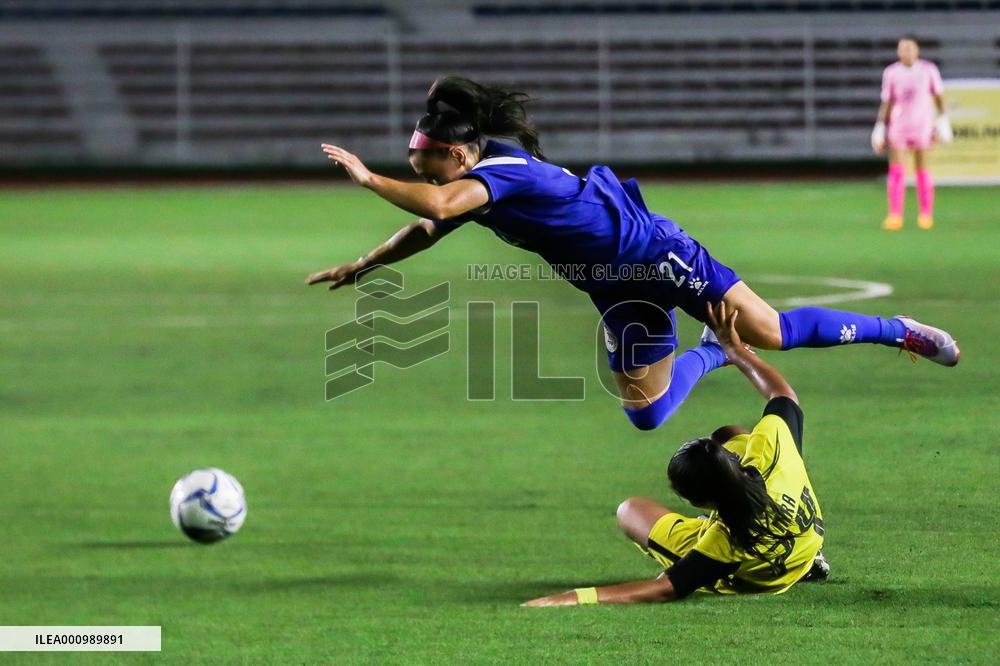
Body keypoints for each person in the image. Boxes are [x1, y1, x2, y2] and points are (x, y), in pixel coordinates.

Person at [308, 76, 960, 431]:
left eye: (425, 168)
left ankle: (898, 331)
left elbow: (438, 210)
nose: (422, 179)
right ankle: (715, 352)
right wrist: (368, 262)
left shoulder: (502, 179)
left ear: (456, 156)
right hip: (615, 285)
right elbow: (429, 228)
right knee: (646, 415)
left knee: (774, 332)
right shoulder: (477, 178)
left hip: (656, 255)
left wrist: (368, 179)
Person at [522, 302, 828, 606]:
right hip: (804, 545)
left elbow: (667, 587)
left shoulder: (723, 542)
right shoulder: (772, 448)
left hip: (764, 575)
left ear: (700, 503)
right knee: (730, 434)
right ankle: (813, 559)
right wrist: (736, 351)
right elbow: (783, 395)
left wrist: (575, 597)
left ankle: (726, 548)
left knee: (630, 510)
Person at [871, 35, 952, 231]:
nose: (905, 52)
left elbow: (938, 96)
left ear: (917, 51)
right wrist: (880, 126)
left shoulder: (928, 70)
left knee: (922, 169)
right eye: (902, 49)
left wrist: (942, 120)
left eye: (909, 48)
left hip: (922, 125)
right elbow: (887, 101)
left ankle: (925, 214)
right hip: (899, 126)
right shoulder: (891, 72)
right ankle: (895, 215)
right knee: (897, 171)